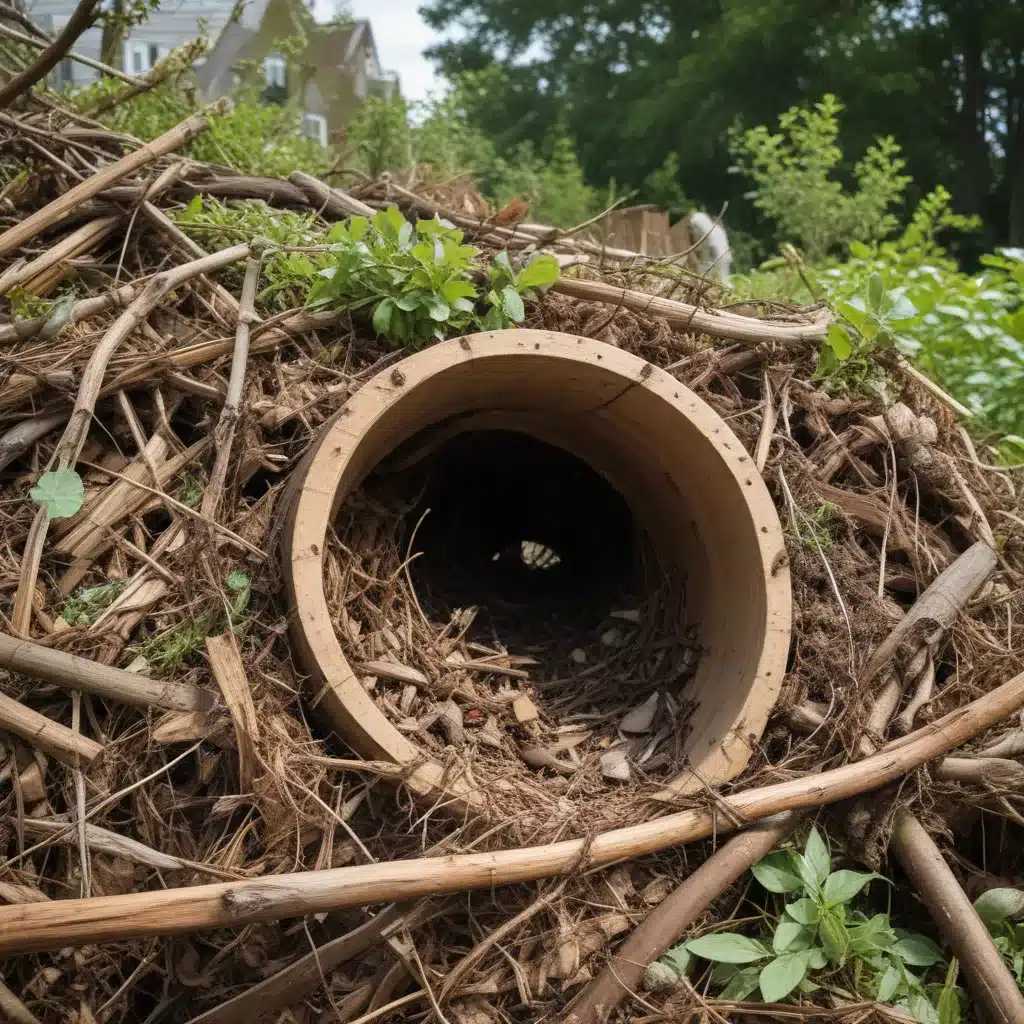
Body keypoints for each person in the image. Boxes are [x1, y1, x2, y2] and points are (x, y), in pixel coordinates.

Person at [688, 211, 732, 285]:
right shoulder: (717, 229)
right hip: (724, 255)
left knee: (717, 278)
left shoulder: (696, 220)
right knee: (723, 278)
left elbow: (704, 245)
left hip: (715, 254)